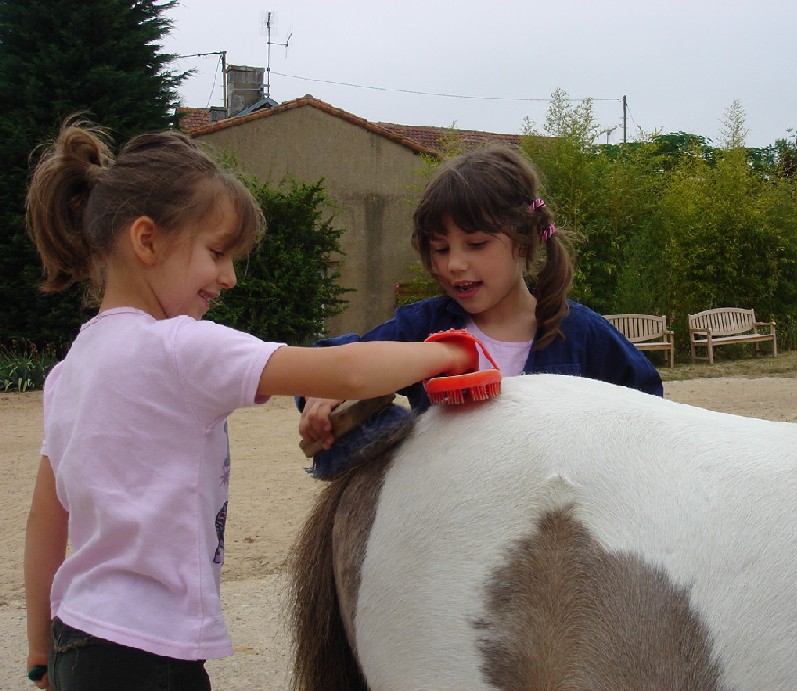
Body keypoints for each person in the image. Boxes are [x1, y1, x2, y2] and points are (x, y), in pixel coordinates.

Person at [22, 118, 476, 691]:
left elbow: (46, 519)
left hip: (77, 639)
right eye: (216, 253)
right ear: (146, 240)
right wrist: (447, 356)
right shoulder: (180, 349)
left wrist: (39, 644)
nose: (229, 277)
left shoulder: (70, 370)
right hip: (147, 653)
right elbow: (347, 370)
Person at [299, 144, 662, 450]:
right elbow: (331, 361)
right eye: (440, 249)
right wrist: (327, 391)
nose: (455, 264)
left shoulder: (584, 334)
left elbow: (650, 414)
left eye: (476, 244)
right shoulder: (423, 327)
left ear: (525, 240)